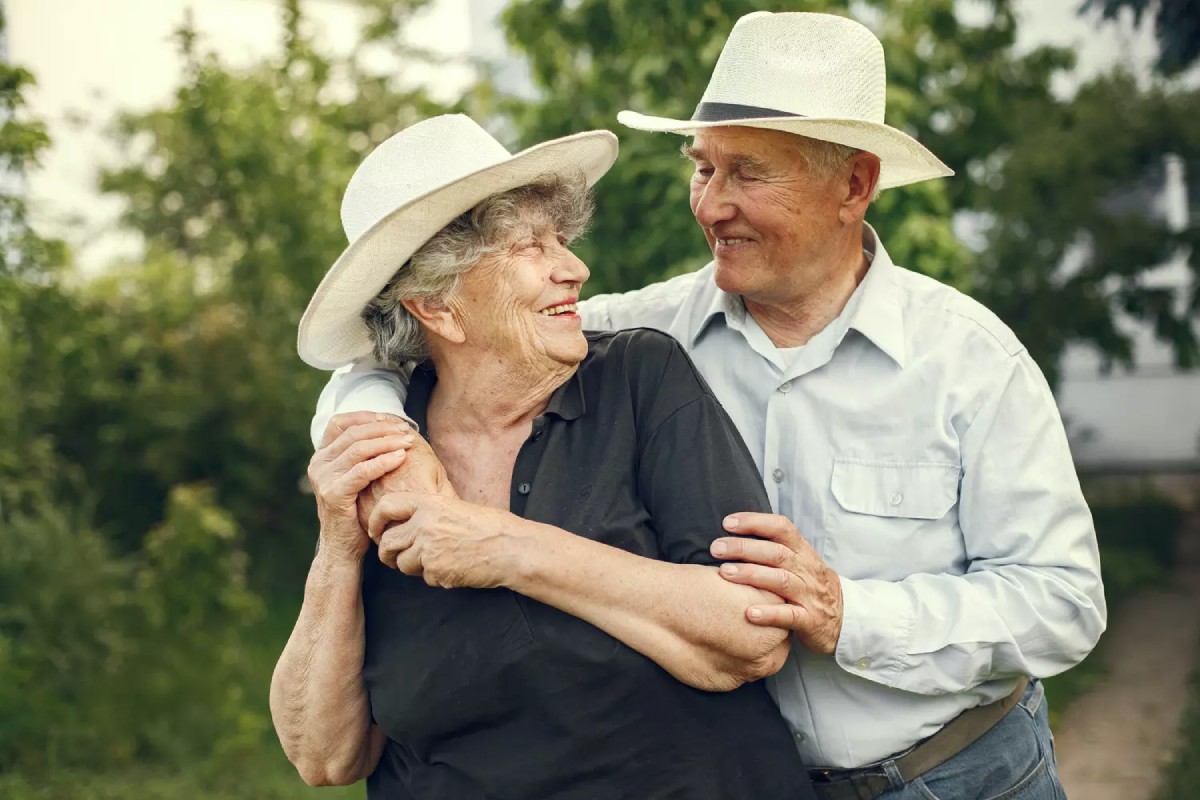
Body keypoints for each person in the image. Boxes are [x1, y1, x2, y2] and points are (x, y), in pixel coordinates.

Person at [313, 12, 1108, 800]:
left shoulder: (968, 359)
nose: (711, 205)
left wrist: (847, 614)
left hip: (961, 776)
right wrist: (385, 437)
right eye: (703, 168)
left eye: (749, 173)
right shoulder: (640, 334)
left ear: (855, 184)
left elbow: (1063, 602)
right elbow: (428, 339)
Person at [270, 113, 816, 800]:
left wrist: (507, 549)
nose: (574, 268)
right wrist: (337, 548)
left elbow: (753, 634)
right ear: (437, 305)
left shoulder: (636, 380)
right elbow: (325, 758)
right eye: (530, 248)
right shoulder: (382, 454)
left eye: (561, 239)